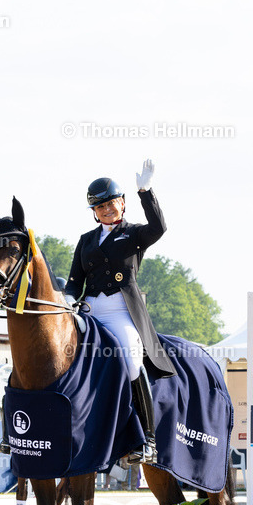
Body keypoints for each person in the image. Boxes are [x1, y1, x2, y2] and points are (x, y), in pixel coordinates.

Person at [63, 158, 175, 464]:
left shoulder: (135, 234)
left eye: (111, 204)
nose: (106, 211)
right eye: (100, 207)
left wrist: (146, 191)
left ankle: (148, 439)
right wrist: (67, 299)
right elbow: (75, 281)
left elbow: (160, 227)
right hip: (90, 311)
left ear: (122, 204)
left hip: (120, 311)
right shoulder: (86, 241)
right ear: (94, 212)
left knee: (128, 359)